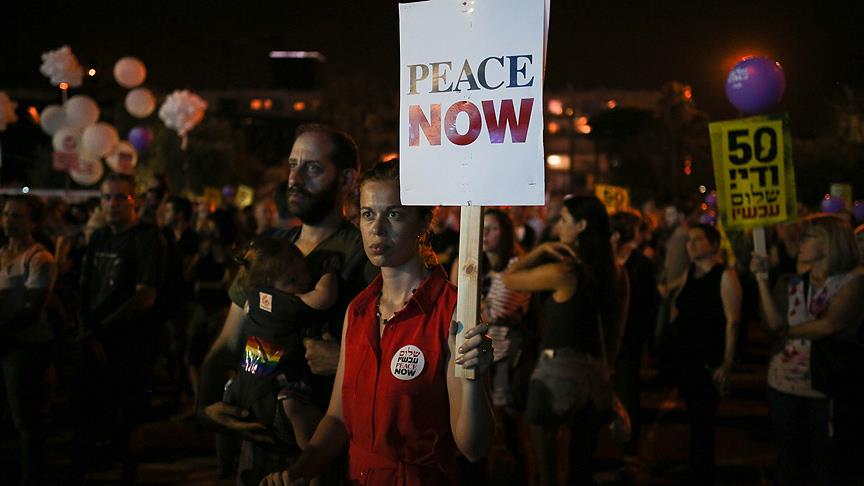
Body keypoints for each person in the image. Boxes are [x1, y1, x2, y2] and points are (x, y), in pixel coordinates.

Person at [260, 160, 495, 485]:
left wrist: (472, 379)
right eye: (368, 214)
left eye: (394, 214)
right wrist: (297, 472)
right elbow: (337, 418)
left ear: (424, 222)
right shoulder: (358, 310)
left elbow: (473, 447)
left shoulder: (452, 310)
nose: (377, 228)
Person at [197, 124, 371, 485]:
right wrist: (207, 407)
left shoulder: (364, 253)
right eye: (292, 164)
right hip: (257, 450)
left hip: (324, 458)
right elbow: (230, 342)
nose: (294, 178)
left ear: (346, 179)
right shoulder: (269, 250)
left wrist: (344, 359)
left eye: (312, 168)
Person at [501, 195, 629, 486]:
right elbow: (616, 331)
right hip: (596, 374)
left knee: (547, 471)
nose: (558, 226)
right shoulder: (617, 272)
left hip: (556, 371)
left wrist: (542, 249)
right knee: (580, 467)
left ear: (581, 226)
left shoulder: (565, 272)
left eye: (564, 220)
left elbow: (510, 278)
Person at [753, 214, 864, 484]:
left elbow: (828, 325)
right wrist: (761, 281)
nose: (799, 241)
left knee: (826, 462)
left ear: (828, 244)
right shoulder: (790, 282)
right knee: (790, 460)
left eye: (809, 236)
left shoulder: (853, 283)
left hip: (826, 387)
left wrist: (786, 332)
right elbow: (771, 325)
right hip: (784, 384)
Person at [75, 173, 167, 481]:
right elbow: (84, 285)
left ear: (135, 202)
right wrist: (86, 329)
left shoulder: (147, 237)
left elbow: (145, 296)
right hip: (94, 337)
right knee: (92, 405)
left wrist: (101, 330)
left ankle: (129, 472)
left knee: (130, 412)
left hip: (131, 341)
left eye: (120, 197)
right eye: (106, 197)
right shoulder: (99, 237)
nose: (112, 204)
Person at [226, 237, 337, 451]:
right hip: (277, 389)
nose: (305, 280)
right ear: (269, 285)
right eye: (292, 280)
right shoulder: (280, 302)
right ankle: (314, 466)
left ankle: (224, 462)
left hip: (247, 381)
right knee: (306, 428)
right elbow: (324, 298)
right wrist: (328, 272)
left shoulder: (253, 298)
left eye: (304, 270)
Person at [659, 223, 741, 484]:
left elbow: (733, 322)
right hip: (687, 357)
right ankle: (697, 467)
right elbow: (673, 294)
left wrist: (727, 363)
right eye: (688, 240)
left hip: (709, 358)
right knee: (695, 418)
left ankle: (703, 472)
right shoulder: (688, 272)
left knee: (704, 419)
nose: (690, 244)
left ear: (713, 245)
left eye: (697, 240)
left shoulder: (725, 276)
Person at [0, 195, 58, 485]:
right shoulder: (2, 254)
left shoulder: (39, 258)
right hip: (7, 342)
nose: (8, 221)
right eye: (6, 214)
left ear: (33, 222)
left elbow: (31, 310)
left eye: (17, 216)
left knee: (26, 419)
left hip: (25, 346)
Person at [610, 211, 659, 459]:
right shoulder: (604, 262)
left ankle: (629, 452)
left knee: (627, 394)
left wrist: (648, 342)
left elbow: (650, 304)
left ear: (616, 236)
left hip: (630, 341)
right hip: (607, 340)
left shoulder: (641, 263)